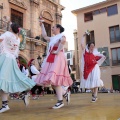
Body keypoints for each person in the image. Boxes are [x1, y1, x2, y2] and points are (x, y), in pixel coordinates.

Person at [35, 18, 73, 109]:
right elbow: (44, 36)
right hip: (52, 59)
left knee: (54, 80)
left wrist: (57, 51)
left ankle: (60, 101)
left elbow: (63, 41)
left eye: (53, 27)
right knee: (52, 81)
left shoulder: (61, 35)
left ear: (58, 28)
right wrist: (42, 25)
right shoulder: (52, 38)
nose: (52, 29)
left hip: (57, 58)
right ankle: (65, 93)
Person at [0, 22, 36, 113]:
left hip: (4, 58)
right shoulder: (17, 39)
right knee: (7, 81)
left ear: (11, 28)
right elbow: (16, 53)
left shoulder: (7, 34)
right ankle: (20, 95)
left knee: (3, 81)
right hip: (11, 59)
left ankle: (5, 104)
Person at [80, 33, 106, 102]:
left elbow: (100, 57)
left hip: (95, 68)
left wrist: (103, 56)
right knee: (90, 83)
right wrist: (83, 36)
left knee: (96, 80)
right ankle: (93, 93)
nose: (92, 47)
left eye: (93, 46)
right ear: (88, 46)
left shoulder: (95, 54)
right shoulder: (85, 52)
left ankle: (95, 95)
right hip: (88, 69)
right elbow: (82, 45)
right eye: (91, 46)